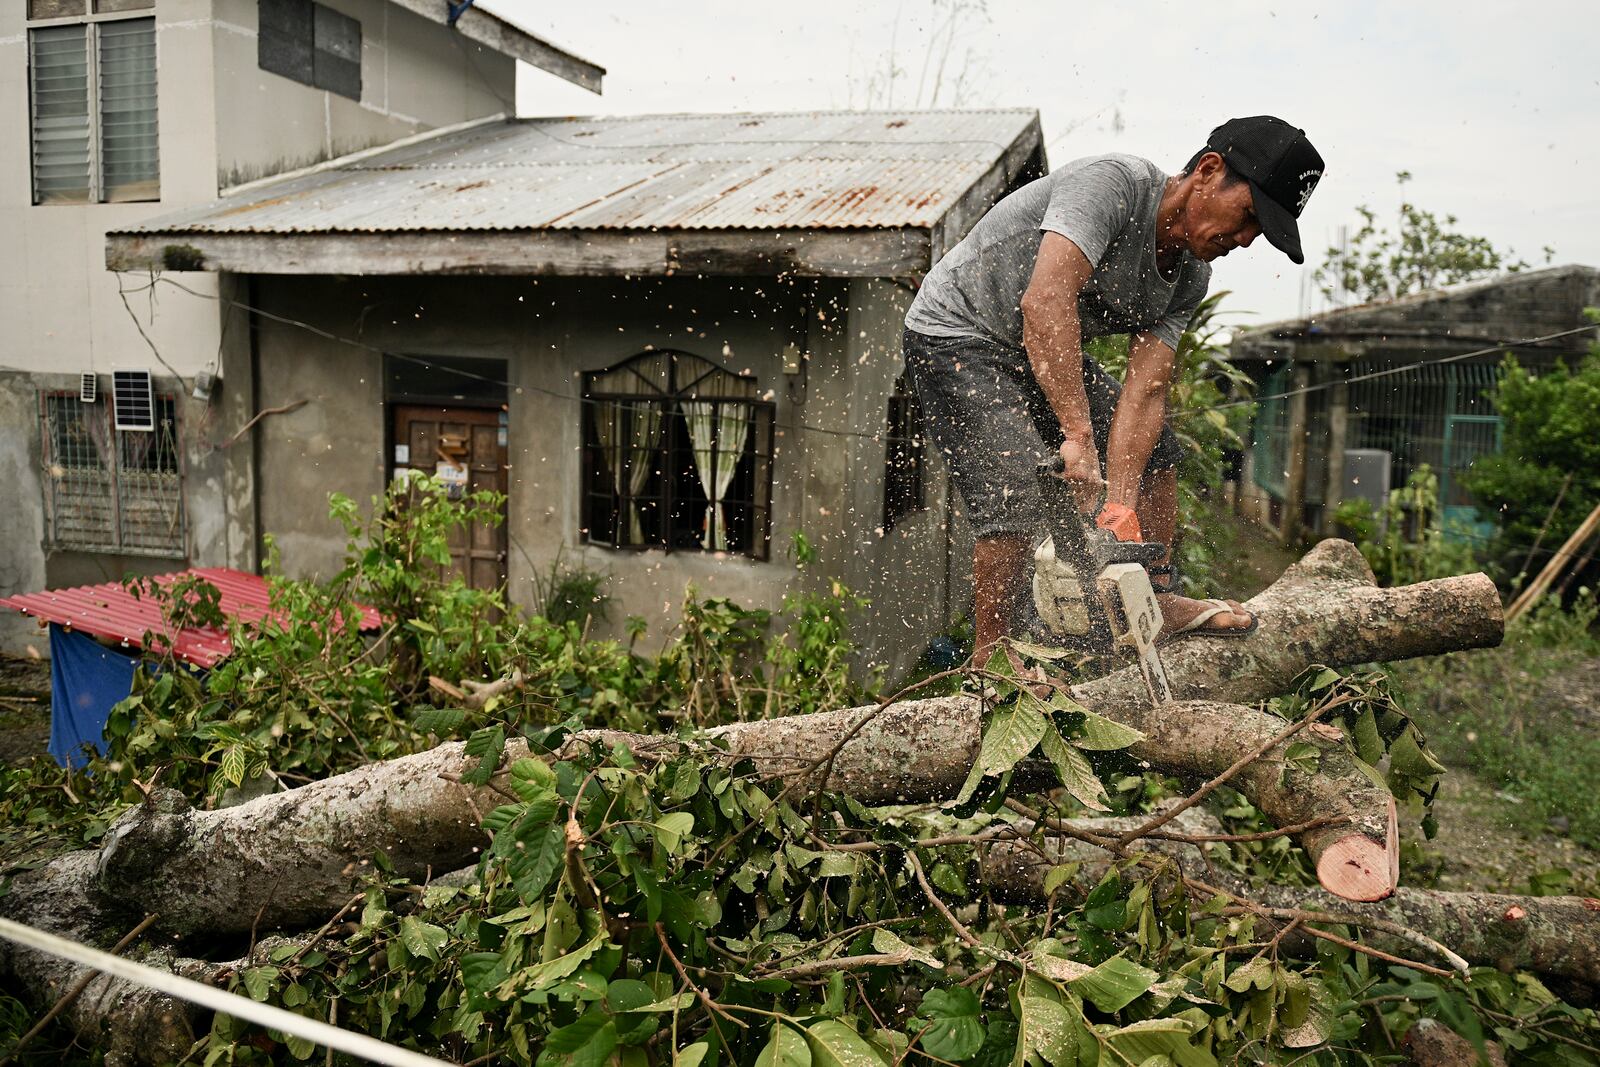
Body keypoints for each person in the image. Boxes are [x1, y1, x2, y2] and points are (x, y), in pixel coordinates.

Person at [903, 115, 1324, 658]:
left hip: (1036, 349)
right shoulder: (1112, 186)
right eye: (1246, 218)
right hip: (957, 332)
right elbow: (1046, 302)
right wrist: (1078, 436)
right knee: (1017, 488)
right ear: (1208, 171)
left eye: (1257, 235)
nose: (1243, 241)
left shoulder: (1190, 276)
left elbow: (1144, 392)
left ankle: (1158, 595)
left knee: (1160, 453)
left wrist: (1120, 506)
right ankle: (992, 659)